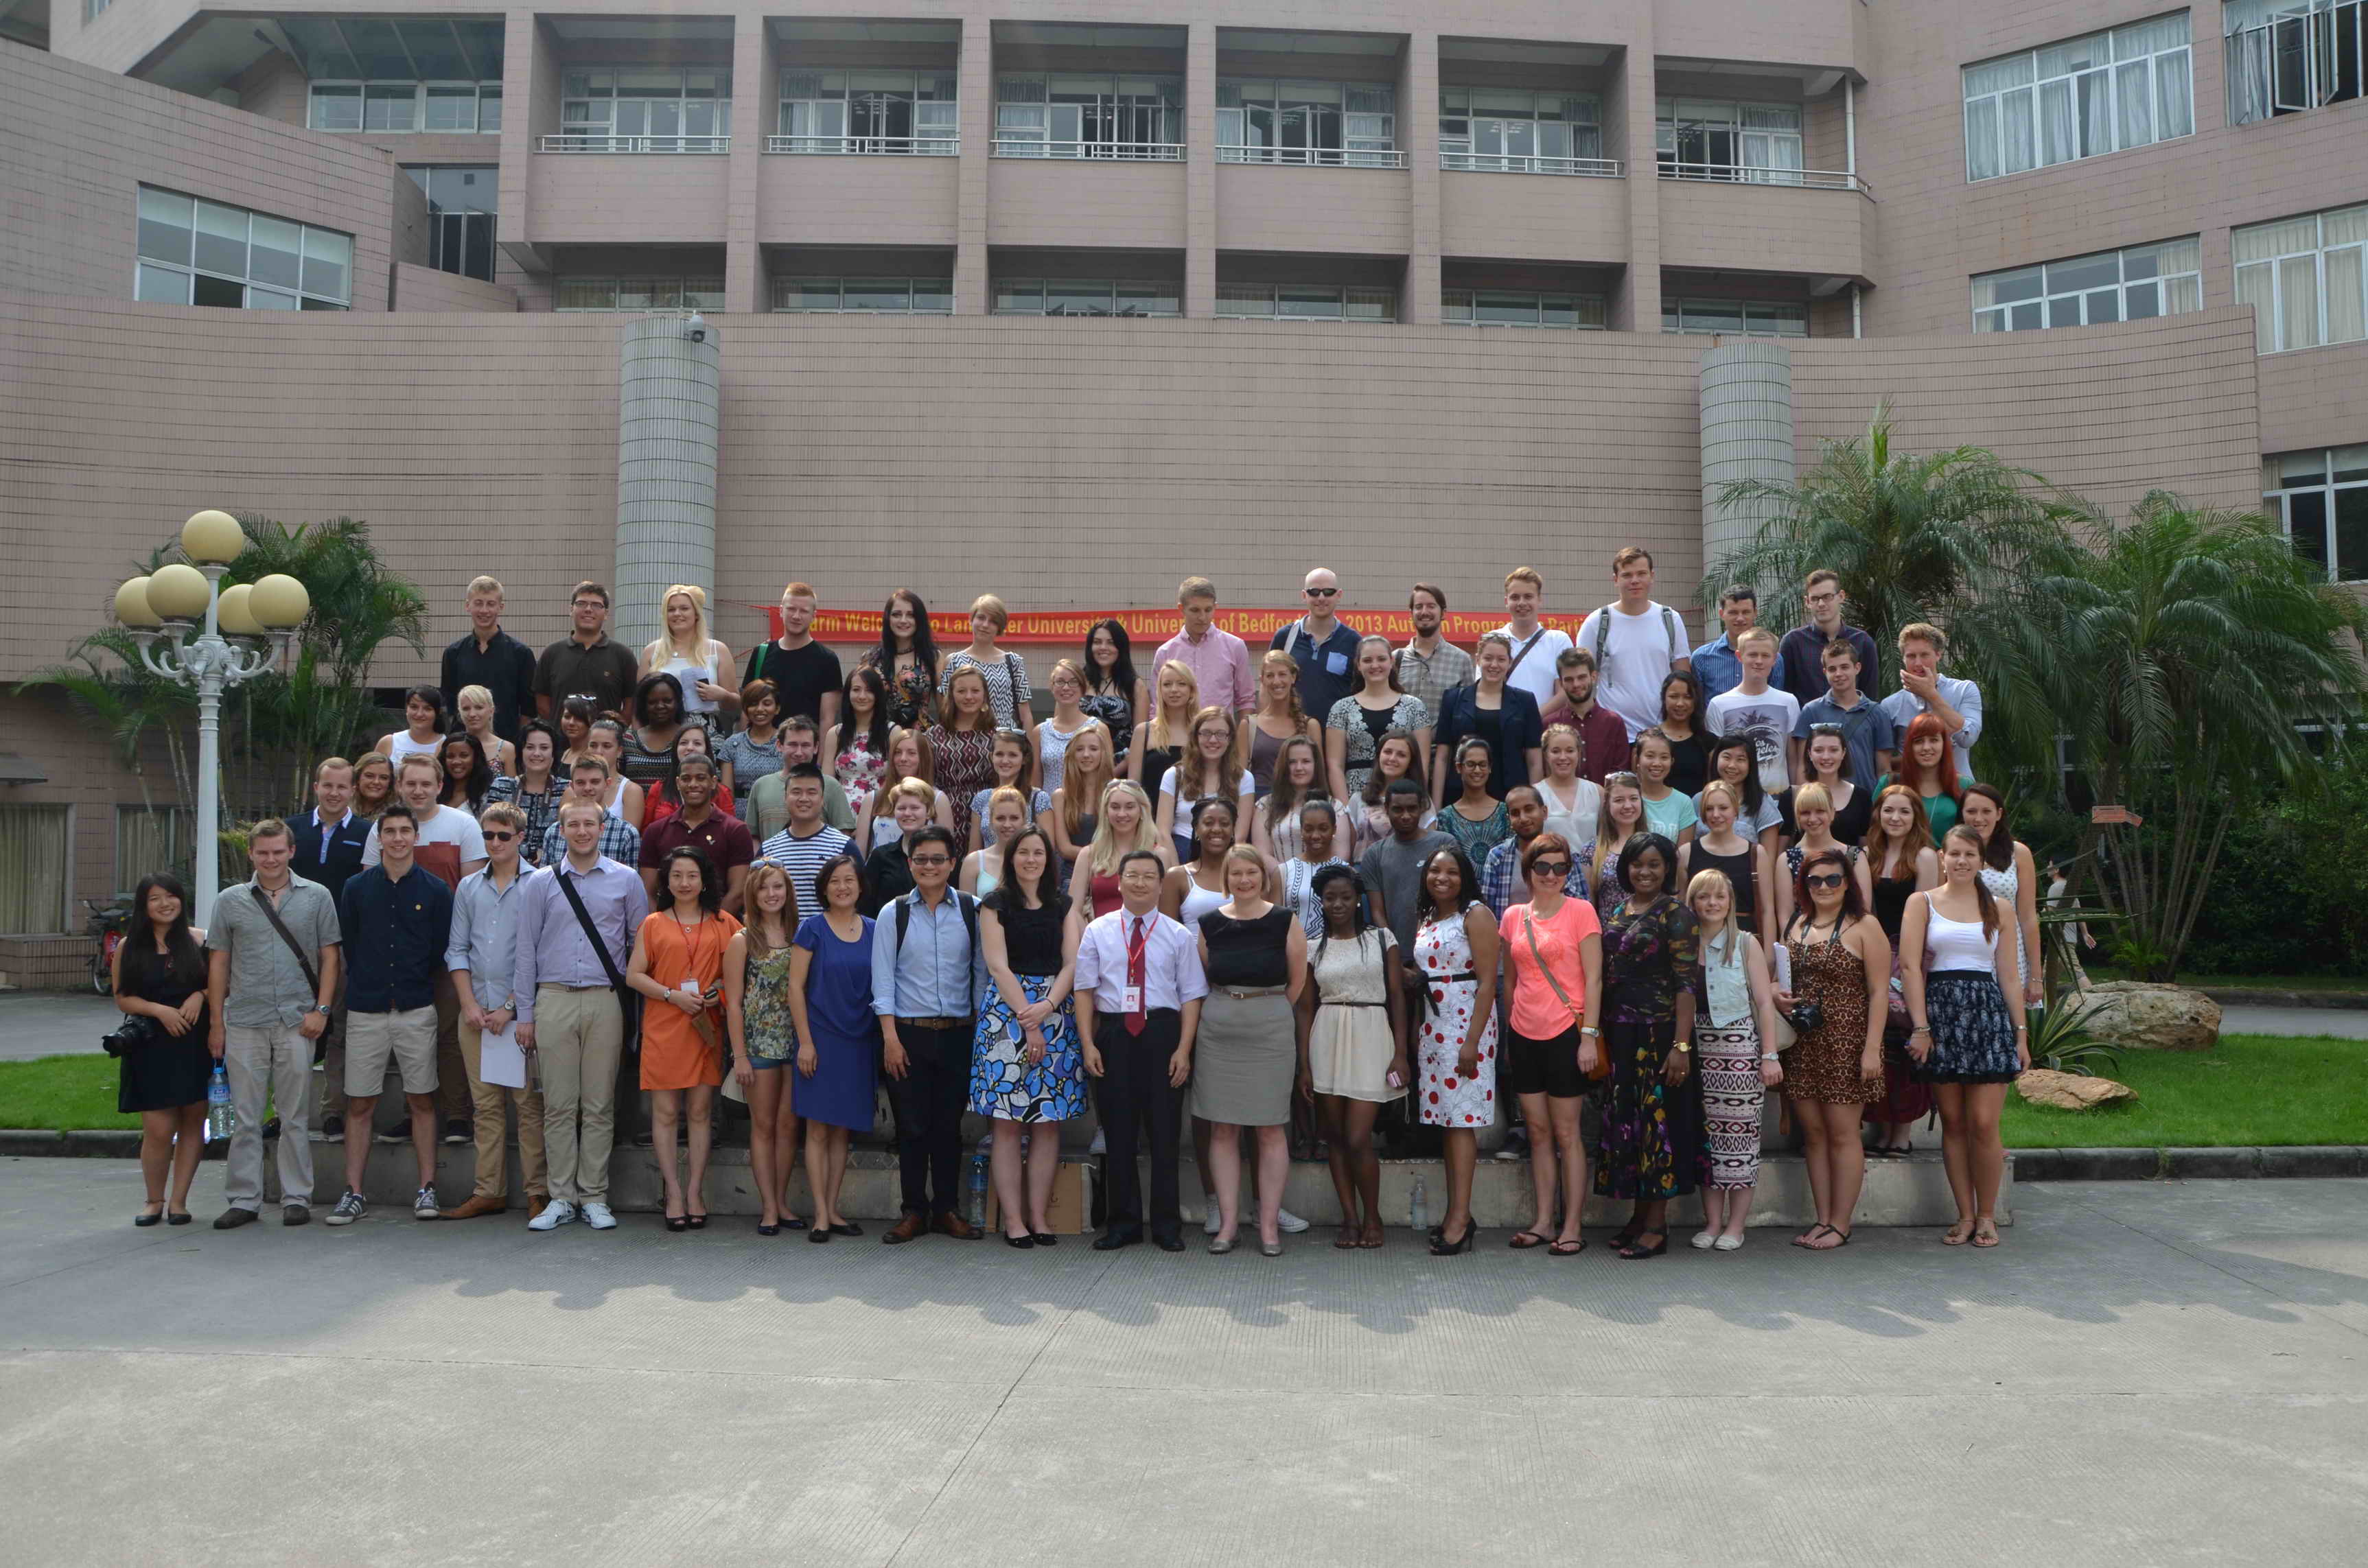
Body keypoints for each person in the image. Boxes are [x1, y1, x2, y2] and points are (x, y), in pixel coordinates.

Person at [517, 798, 649, 1232]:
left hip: (604, 999)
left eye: (589, 824)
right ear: (562, 831)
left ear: (602, 827)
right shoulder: (540, 883)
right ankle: (561, 1197)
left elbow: (640, 944)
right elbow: (525, 951)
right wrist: (525, 1014)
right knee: (557, 1105)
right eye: (573, 824)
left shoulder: (626, 880)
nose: (582, 831)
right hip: (553, 998)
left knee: (598, 1103)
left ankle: (594, 1195)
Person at [204, 819, 340, 1228]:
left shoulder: (317, 896)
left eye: (278, 851)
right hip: (246, 1020)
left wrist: (322, 1010)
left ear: (291, 851)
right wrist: (216, 1023)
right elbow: (219, 963)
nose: (271, 859)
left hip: (297, 1020)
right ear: (251, 854)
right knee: (246, 1116)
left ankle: (296, 1197)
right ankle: (244, 1199)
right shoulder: (229, 901)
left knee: (294, 1115)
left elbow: (330, 956)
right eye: (262, 853)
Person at [1903, 826, 2030, 1249]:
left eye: (1969, 854)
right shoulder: (1922, 903)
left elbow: (2009, 975)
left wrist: (2020, 1034)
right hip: (1940, 1017)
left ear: (1981, 860)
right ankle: (1965, 1215)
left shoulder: (1999, 908)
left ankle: (1988, 1215)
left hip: (1987, 1017)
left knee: (1984, 1124)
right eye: (1954, 853)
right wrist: (1921, 1027)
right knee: (1954, 1124)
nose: (1961, 861)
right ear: (1942, 857)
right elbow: (1910, 968)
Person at [1075, 849, 1205, 1252]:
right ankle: (1123, 1224)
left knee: (1165, 1133)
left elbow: (1192, 996)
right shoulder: (1097, 930)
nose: (1140, 883)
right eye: (1132, 875)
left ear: (1161, 884)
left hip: (1162, 1033)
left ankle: (1166, 1225)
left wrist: (1183, 1049)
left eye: (1150, 876)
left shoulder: (1178, 934)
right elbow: (1084, 990)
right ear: (1119, 881)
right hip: (1114, 1034)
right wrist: (1088, 1043)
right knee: (1118, 1133)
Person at [332, 803, 454, 1226]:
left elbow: (439, 950)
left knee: (421, 1100)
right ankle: (354, 1192)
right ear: (379, 838)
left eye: (405, 831)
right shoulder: (355, 888)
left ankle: (427, 1188)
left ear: (416, 837)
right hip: (366, 1009)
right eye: (390, 831)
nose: (398, 838)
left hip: (415, 1008)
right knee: (360, 1103)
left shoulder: (436, 891)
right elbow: (350, 945)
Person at [870, 826, 987, 1243]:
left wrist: (979, 1032)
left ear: (953, 864)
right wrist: (890, 1038)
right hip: (907, 1034)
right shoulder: (894, 913)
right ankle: (913, 1211)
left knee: (949, 1127)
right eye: (921, 859)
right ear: (910, 864)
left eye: (938, 859)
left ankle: (947, 1210)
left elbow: (981, 974)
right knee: (912, 1127)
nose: (929, 866)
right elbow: (883, 979)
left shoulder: (973, 910)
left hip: (958, 1033)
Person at [363, 755, 486, 1149]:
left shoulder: (463, 825)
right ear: (400, 786)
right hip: (399, 954)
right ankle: (411, 1114)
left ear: (439, 786)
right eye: (411, 784)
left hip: (450, 951)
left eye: (426, 784)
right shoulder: (382, 828)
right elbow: (369, 888)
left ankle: (458, 1115)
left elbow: (473, 893)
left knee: (450, 1036)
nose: (418, 791)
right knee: (408, 1037)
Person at [971, 826, 1086, 1247]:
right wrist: (1030, 1020)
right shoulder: (995, 903)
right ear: (1012, 858)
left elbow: (1072, 963)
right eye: (1024, 852)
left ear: (1048, 860)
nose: (1031, 860)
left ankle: (1039, 1217)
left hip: (1055, 1013)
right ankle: (1014, 1220)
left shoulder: (1063, 905)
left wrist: (1050, 1005)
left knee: (1047, 1123)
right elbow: (997, 965)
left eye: (1039, 853)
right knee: (1006, 1124)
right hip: (1007, 1015)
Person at [1590, 834, 1702, 1260]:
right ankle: (1638, 1218)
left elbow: (1686, 984)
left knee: (1659, 1128)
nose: (1645, 871)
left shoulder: (1677, 914)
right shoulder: (1621, 909)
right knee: (1632, 1128)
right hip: (1621, 1033)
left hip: (1659, 1035)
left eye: (1655, 864)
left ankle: (1656, 1226)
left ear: (1668, 868)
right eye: (1638, 864)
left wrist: (1681, 1045)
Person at [1192, 845, 1308, 1257]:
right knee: (1222, 1128)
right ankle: (1228, 1225)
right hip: (1219, 1032)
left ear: (1263, 877)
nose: (1244, 880)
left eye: (1251, 873)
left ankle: (1269, 1226)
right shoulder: (1209, 923)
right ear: (1226, 879)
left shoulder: (1285, 920)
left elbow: (1297, 981)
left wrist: (1267, 1010)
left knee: (1271, 1128)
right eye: (1236, 873)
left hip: (1270, 1030)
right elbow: (1205, 976)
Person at [1774, 846, 1890, 1250]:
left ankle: (1841, 1224)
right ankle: (1823, 1219)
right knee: (1814, 1135)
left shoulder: (1865, 926)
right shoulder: (1797, 923)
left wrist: (1872, 1049)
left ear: (1847, 883)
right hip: (1803, 1041)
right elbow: (1780, 977)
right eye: (1815, 880)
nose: (1823, 886)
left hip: (1848, 1041)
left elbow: (1879, 993)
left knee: (1843, 1135)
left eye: (1833, 879)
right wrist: (1776, 993)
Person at [1498, 832, 1604, 1258]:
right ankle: (1544, 1222)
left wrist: (1589, 1036)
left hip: (1566, 1032)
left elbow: (1594, 979)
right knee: (1538, 1132)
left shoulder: (1581, 911)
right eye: (1542, 867)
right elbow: (1510, 981)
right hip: (1524, 1033)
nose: (1551, 875)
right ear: (1529, 871)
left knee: (1567, 1133)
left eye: (1560, 867)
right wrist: (1509, 1033)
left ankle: (1572, 1225)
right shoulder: (1513, 916)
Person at [441, 801, 546, 1221]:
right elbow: (456, 949)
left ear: (520, 837)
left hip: (521, 1014)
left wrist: (510, 1007)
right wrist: (468, 1004)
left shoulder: (539, 883)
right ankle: (489, 1191)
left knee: (528, 1106)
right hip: (475, 1013)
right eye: (488, 835)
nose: (495, 843)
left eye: (504, 835)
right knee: (484, 1107)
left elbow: (540, 953)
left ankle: (538, 1192)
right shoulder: (468, 886)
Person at [628, 845, 740, 1230]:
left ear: (705, 880)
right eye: (676, 875)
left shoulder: (725, 922)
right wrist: (671, 995)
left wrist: (717, 991)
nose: (685, 883)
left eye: (692, 875)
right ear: (666, 881)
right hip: (665, 1025)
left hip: (705, 1027)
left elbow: (738, 971)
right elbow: (634, 975)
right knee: (664, 1114)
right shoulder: (653, 923)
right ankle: (673, 1192)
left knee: (700, 1112)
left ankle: (695, 1191)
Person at [1299, 863, 1407, 1248]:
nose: (1338, 904)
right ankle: (1349, 1218)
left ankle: (1372, 1218)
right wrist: (1304, 1065)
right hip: (1326, 1036)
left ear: (1358, 899)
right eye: (1330, 898)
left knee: (1358, 1137)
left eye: (1346, 897)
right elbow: (1305, 1009)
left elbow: (1397, 997)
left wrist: (1401, 1054)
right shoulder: (1313, 946)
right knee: (1336, 1138)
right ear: (1321, 902)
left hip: (1371, 1035)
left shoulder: (1381, 938)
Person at [780, 854, 881, 1239]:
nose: (842, 887)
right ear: (824, 888)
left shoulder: (875, 929)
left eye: (849, 880)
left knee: (842, 1131)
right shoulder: (812, 929)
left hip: (860, 1041)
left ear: (860, 886)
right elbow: (795, 988)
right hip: (820, 1038)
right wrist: (805, 1043)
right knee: (818, 1129)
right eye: (835, 881)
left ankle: (835, 1210)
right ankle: (820, 1215)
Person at [1685, 867, 1783, 1250]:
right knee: (1707, 1141)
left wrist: (1769, 1055)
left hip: (1738, 1048)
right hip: (1696, 1048)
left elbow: (1764, 1002)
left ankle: (1736, 1226)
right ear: (1692, 902)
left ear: (1730, 902)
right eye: (1703, 896)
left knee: (1740, 1141)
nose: (1712, 903)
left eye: (1719, 896)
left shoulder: (1745, 943)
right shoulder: (1683, 942)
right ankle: (1712, 1223)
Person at [1408, 845, 1498, 1254]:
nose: (1442, 878)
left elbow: (1488, 983)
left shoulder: (1475, 915)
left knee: (1462, 1121)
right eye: (1435, 871)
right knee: (1449, 1121)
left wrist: (1472, 1042)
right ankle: (1455, 1214)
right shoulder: (1428, 916)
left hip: (1465, 1027)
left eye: (1452, 872)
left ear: (1465, 878)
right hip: (1434, 1026)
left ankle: (1460, 1220)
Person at [113, 873, 213, 1226]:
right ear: (144, 905)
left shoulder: (201, 940)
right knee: (157, 1129)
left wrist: (200, 996)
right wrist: (160, 1011)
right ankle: (153, 1200)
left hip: (195, 1042)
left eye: (171, 896)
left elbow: (224, 984)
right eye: (155, 898)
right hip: (150, 1044)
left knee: (192, 1121)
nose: (165, 904)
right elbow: (123, 998)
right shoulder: (129, 946)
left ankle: (179, 1202)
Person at [1864, 785, 1940, 1159]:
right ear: (1878, 814)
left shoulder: (1924, 856)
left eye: (1904, 812)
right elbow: (1865, 910)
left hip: (1910, 955)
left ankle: (1903, 1131)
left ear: (1916, 817)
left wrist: (1909, 962)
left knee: (1907, 1036)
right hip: (1875, 951)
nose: (1895, 818)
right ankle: (1883, 1126)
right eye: (1889, 810)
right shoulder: (1868, 855)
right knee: (1881, 1038)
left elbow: (1925, 913)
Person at [1573, 547, 1691, 740]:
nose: (1635, 580)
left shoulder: (1670, 619)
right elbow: (1579, 679)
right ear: (1615, 579)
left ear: (1652, 576)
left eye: (1641, 574)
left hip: (1662, 734)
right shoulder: (1597, 622)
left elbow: (1684, 677)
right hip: (1612, 734)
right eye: (1627, 575)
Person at [1960, 783, 2045, 1010]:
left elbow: (2028, 917)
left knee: (2014, 1024)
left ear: (1999, 814)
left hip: (2012, 954)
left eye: (1986, 811)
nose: (1979, 819)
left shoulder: (2018, 853)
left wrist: (2036, 975)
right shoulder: (1950, 856)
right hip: (1967, 954)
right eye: (1971, 811)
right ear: (1962, 814)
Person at [1431, 631, 1542, 803]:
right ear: (1478, 660)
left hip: (1510, 796)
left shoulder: (1525, 701)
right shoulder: (1453, 699)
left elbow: (1534, 760)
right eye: (1488, 658)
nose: (1494, 665)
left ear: (1510, 662)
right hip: (1460, 795)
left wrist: (1534, 803)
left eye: (1501, 659)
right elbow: (1442, 757)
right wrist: (1437, 806)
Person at [642, 753, 756, 913]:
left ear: (713, 782)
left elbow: (738, 893)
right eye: (686, 779)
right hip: (667, 924)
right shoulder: (655, 831)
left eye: (701, 778)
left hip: (720, 923)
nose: (693, 784)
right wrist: (664, 923)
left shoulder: (736, 830)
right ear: (678, 783)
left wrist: (709, 924)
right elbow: (647, 893)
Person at [1326, 634, 1432, 806]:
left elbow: (1423, 764)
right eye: (1367, 660)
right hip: (1355, 797)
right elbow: (1334, 765)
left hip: (1401, 800)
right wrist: (1345, 810)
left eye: (1381, 659)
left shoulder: (1415, 707)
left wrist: (1414, 802)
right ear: (1358, 665)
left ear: (1391, 662)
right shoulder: (1341, 709)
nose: (1375, 665)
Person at [1359, 779, 1458, 951]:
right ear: (1386, 809)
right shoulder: (1374, 854)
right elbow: (1377, 913)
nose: (1405, 816)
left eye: (1412, 808)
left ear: (1421, 808)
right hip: (1396, 951)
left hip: (1442, 949)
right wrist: (1394, 953)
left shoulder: (1444, 843)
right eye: (1398, 809)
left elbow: (1456, 900)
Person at [1792, 637, 1896, 801]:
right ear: (1825, 672)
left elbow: (1884, 770)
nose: (1839, 674)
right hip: (1821, 803)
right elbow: (1803, 765)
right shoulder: (1811, 711)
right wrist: (1803, 801)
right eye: (1832, 669)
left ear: (1857, 668)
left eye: (1845, 667)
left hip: (1865, 800)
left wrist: (1880, 805)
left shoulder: (1877, 713)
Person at [441, 576, 537, 748]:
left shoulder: (521, 654)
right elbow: (450, 704)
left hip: (507, 746)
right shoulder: (453, 654)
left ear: (501, 607)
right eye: (478, 603)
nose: (484, 610)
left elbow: (528, 709)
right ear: (468, 606)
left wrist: (517, 746)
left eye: (491, 604)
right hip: (464, 748)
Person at [1882, 621, 1985, 782]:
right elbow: (1884, 761)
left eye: (1924, 655)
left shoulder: (1964, 690)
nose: (1918, 663)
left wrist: (1931, 694)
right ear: (1903, 658)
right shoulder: (1890, 705)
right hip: (1912, 792)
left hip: (1958, 789)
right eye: (1911, 656)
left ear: (1938, 655)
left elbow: (1968, 738)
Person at [1705, 626, 1800, 796]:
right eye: (1752, 655)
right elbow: (1714, 761)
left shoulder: (1789, 702)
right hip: (1735, 799)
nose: (1759, 661)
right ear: (1739, 656)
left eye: (1765, 655)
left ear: (1775, 659)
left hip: (1779, 798)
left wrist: (1795, 796)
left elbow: (1793, 758)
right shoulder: (1719, 704)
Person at [1157, 705, 1255, 863]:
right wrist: (1179, 872)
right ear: (1195, 737)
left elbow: (1240, 836)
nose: (1213, 740)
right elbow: (1163, 833)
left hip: (1225, 856)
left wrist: (1222, 871)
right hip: (1181, 852)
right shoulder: (1174, 776)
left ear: (1230, 739)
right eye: (1206, 733)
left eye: (1221, 734)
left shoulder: (1244, 778)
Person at [740, 581, 841, 732]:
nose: (796, 616)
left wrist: (822, 749)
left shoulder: (827, 660)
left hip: (805, 745)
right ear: (781, 611)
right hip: (761, 744)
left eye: (804, 611)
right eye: (791, 609)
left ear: (814, 616)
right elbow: (746, 709)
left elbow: (827, 718)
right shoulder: (761, 654)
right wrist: (743, 744)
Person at [534, 581, 641, 722]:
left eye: (596, 605)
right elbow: (542, 703)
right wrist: (563, 728)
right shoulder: (552, 653)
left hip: (607, 736)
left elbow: (631, 704)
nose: (589, 609)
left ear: (606, 613)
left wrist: (613, 729)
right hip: (560, 736)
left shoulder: (623, 655)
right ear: (571, 609)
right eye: (581, 603)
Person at [1774, 782, 1877, 931]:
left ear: (1832, 813)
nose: (1813, 819)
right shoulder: (1786, 860)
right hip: (1802, 940)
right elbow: (1786, 918)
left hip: (1848, 938)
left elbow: (1863, 912)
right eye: (1805, 813)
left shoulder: (1855, 856)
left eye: (1820, 811)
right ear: (1797, 816)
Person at [1680, 780, 1772, 938]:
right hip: (1700, 940)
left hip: (1744, 941)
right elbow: (1682, 907)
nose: (1716, 815)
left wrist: (1768, 951)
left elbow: (1767, 910)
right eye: (1709, 809)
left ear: (1735, 810)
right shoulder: (1686, 853)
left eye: (1723, 808)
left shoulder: (1757, 854)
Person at [1067, 779, 1170, 919]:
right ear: (1106, 812)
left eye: (1130, 807)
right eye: (1115, 807)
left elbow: (1166, 913)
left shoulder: (1159, 855)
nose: (1122, 814)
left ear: (1142, 811)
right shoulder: (1088, 854)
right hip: (1100, 932)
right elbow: (1073, 911)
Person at [1271, 565, 1362, 723]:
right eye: (1314, 592)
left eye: (1328, 592)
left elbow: (1363, 693)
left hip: (1337, 734)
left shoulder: (1354, 642)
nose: (1321, 598)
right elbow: (1268, 687)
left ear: (1339, 595)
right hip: (1291, 732)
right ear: (1304, 595)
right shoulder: (1285, 637)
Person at [1153, 576, 1255, 716]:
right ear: (1181, 609)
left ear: (1215, 607)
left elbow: (1246, 700)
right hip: (1178, 730)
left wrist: (1243, 729)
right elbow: (1157, 705)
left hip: (1221, 729)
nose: (1202, 617)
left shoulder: (1235, 646)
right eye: (1195, 610)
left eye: (1208, 610)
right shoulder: (1165, 652)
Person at [745, 716, 857, 841]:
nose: (799, 752)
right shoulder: (761, 786)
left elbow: (844, 836)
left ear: (816, 747)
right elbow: (752, 837)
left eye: (805, 745)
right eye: (793, 745)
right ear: (779, 745)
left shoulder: (831, 786)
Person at [756, 763, 852, 909]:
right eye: (796, 792)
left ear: (822, 799)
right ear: (785, 797)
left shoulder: (843, 846)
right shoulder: (769, 850)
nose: (804, 798)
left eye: (812, 793)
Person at [1776, 568, 1881, 703]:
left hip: (1853, 716)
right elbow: (1785, 696)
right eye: (1815, 599)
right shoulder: (1793, 642)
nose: (1821, 604)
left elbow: (1870, 696)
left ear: (1841, 596)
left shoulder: (1863, 641)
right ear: (1807, 602)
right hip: (1807, 716)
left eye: (1827, 597)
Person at [1483, 786, 1590, 915]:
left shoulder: (1566, 855)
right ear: (1509, 819)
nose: (1523, 818)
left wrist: (1556, 869)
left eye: (1529, 809)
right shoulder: (1497, 857)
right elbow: (1487, 914)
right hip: (1510, 928)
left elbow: (1582, 908)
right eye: (1515, 813)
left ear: (1544, 812)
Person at [928, 664, 999, 858]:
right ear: (951, 695)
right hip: (945, 814)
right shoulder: (933, 736)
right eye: (961, 691)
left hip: (987, 814)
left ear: (985, 695)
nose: (969, 697)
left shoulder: (998, 736)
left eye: (975, 691)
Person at [639, 583, 735, 724]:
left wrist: (723, 696)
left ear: (696, 614)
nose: (677, 614)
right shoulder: (651, 651)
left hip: (706, 728)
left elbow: (737, 705)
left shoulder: (718, 650)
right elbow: (639, 702)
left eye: (684, 608)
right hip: (661, 727)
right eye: (671, 609)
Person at [1537, 648, 1633, 782]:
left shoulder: (1614, 723)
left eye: (1581, 677)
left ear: (1593, 677)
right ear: (1561, 683)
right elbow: (1544, 771)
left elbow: (1621, 772)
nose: (1576, 684)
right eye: (1569, 680)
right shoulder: (1549, 724)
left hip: (1606, 795)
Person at [854, 730, 955, 859]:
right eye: (897, 753)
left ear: (923, 758)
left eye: (911, 753)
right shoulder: (873, 799)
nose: (903, 758)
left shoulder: (938, 799)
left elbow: (946, 853)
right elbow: (859, 855)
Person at [939, 593, 1032, 730]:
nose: (985, 625)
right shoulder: (954, 661)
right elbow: (946, 710)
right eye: (981, 618)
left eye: (993, 621)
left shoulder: (1013, 662)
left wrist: (1028, 744)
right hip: (965, 738)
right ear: (971, 619)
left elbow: (1025, 714)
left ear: (1000, 627)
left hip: (1005, 739)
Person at [1879, 712, 1970, 844]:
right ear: (1909, 746)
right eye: (1919, 741)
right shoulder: (1889, 783)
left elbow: (1973, 835)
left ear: (1944, 744)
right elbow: (1875, 831)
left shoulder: (1963, 785)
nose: (1926, 748)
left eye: (1934, 740)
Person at [538, 753, 642, 869]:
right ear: (572, 786)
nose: (588, 788)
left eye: (595, 782)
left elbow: (631, 879)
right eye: (581, 783)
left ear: (607, 784)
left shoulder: (626, 834)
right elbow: (546, 878)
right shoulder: (554, 833)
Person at [1253, 734, 1345, 865]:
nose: (1299, 768)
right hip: (1280, 876)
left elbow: (1341, 854)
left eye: (1306, 761)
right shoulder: (1266, 805)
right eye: (1292, 762)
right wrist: (1289, 875)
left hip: (1326, 876)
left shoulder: (1335, 806)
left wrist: (1318, 876)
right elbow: (1262, 853)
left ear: (1316, 764)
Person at [1496, 566, 1576, 714]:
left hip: (1545, 726)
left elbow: (1565, 691)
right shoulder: (1493, 640)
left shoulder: (1558, 641)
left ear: (1539, 600)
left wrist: (1534, 719)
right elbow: (1483, 689)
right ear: (1506, 601)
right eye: (1515, 597)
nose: (1521, 603)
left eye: (1528, 597)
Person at [1395, 582, 1475, 727]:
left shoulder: (1461, 660)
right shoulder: (1395, 659)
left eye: (1431, 606)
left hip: (1443, 742)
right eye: (1419, 607)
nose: (1424, 612)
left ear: (1443, 613)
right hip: (1401, 741)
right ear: (1411, 613)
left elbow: (1468, 713)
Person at [1245, 650, 1324, 796]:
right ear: (1262, 680)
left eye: (1282, 674)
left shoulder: (1311, 725)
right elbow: (1240, 779)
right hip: (1256, 803)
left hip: (1300, 803)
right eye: (1270, 675)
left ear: (1293, 677)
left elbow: (1318, 777)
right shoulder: (1249, 726)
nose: (1276, 681)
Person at [486, 723, 564, 869]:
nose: (536, 753)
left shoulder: (565, 789)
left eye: (544, 748)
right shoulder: (502, 786)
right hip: (507, 867)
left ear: (553, 753)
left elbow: (563, 836)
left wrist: (545, 850)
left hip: (550, 869)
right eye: (530, 747)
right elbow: (490, 831)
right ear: (521, 751)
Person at [1780, 728, 1873, 847]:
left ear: (1843, 753)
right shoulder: (1791, 796)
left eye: (1834, 750)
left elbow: (1866, 848)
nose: (1826, 757)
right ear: (1810, 754)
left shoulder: (1861, 796)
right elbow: (1781, 849)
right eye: (1818, 750)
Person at [862, 587, 940, 730]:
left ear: (919, 619)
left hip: (919, 739)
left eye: (911, 615)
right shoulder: (870, 658)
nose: (903, 620)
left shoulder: (934, 657)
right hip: (880, 737)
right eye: (896, 614)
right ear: (888, 618)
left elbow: (945, 708)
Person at [825, 665, 895, 819]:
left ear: (878, 694)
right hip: (841, 818)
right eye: (856, 690)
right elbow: (827, 785)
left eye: (869, 690)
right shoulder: (835, 734)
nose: (862, 696)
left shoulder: (892, 732)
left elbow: (897, 780)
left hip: (880, 815)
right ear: (848, 694)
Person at [859, 779, 936, 915]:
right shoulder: (880, 856)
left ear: (928, 811)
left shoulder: (942, 856)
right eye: (901, 808)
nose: (907, 813)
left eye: (915, 808)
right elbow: (866, 907)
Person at [1277, 797, 1351, 938]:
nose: (1316, 836)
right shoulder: (1283, 872)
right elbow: (1274, 923)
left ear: (1334, 829)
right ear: (1301, 831)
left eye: (1323, 829)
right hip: (1296, 949)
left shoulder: (1347, 872)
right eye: (1309, 829)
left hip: (1337, 949)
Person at [968, 728, 1053, 850]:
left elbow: (1048, 849)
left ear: (1024, 759)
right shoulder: (981, 799)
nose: (1005, 761)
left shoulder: (1039, 798)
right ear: (991, 756)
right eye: (999, 754)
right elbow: (974, 851)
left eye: (1013, 755)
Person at [1080, 618, 1146, 771]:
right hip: (1080, 769)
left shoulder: (1135, 686)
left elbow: (1141, 739)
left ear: (1121, 647)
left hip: (1120, 771)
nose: (1103, 648)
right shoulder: (1078, 681)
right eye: (1097, 642)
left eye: (1111, 642)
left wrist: (1113, 773)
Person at [1349, 730, 1430, 854]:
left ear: (1411, 762)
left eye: (1401, 755)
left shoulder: (1423, 801)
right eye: (1387, 752)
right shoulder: (1358, 799)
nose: (1392, 759)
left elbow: (1429, 847)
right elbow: (1349, 847)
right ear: (1379, 756)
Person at [1130, 657, 1200, 801]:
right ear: (1159, 690)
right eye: (1167, 684)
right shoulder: (1143, 732)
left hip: (1193, 812)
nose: (1174, 690)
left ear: (1192, 689)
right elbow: (1133, 788)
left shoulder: (1202, 731)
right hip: (1152, 812)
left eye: (1181, 684)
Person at [1048, 720, 1116, 867]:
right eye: (1079, 749)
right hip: (1073, 871)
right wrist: (1104, 856)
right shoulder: (1060, 797)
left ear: (1103, 753)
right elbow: (1065, 849)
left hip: (1111, 870)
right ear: (1072, 755)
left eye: (1093, 749)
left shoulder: (1116, 792)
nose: (1086, 755)